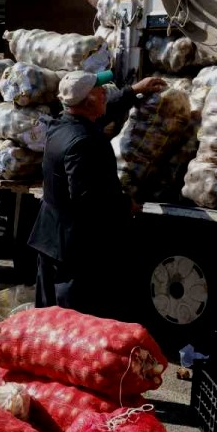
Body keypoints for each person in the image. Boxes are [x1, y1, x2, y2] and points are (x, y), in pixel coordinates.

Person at [29, 70, 166, 318]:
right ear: (89, 101)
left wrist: (133, 90)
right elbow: (89, 198)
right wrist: (126, 205)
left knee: (49, 318)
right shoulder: (83, 142)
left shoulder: (61, 125)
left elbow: (104, 112)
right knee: (72, 322)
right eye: (100, 91)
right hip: (73, 250)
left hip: (52, 238)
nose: (105, 93)